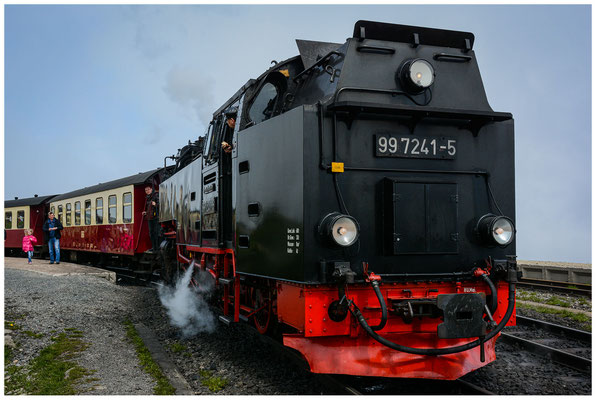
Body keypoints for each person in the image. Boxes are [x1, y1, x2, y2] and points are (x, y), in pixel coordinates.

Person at [142, 185, 160, 253]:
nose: (147, 191)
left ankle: (157, 247)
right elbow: (149, 208)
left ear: (151, 189)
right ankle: (153, 247)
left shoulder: (156, 195)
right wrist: (145, 212)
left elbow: (161, 205)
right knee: (151, 233)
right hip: (150, 217)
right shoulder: (147, 198)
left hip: (156, 217)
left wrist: (156, 204)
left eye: (148, 189)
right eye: (146, 190)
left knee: (156, 232)